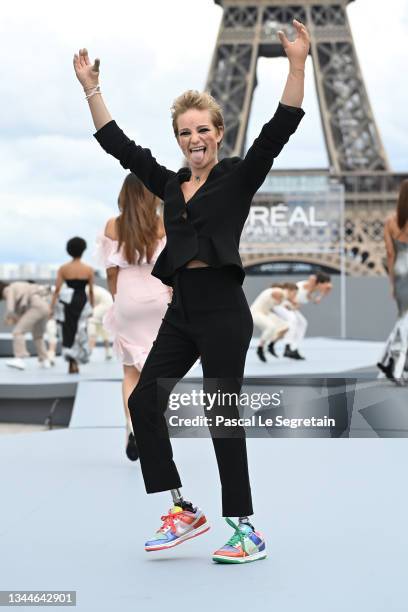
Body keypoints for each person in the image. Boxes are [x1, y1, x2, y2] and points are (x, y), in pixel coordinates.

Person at [73, 17, 309, 564]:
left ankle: (245, 528)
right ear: (177, 138)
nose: (194, 139)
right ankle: (182, 508)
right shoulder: (170, 185)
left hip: (224, 310)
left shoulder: (238, 176)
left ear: (218, 133)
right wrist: (92, 90)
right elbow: (118, 145)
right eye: (185, 132)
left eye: (203, 130)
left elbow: (282, 123)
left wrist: (296, 64)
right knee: (143, 401)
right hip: (182, 309)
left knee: (219, 413)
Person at [95, 173, 170, 461]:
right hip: (159, 296)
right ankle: (153, 426)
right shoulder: (162, 223)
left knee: (130, 373)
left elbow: (111, 270)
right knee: (159, 369)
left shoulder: (113, 225)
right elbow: (172, 264)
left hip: (127, 297)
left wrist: (117, 300)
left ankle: (133, 429)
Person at [377, 180, 408, 384]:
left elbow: (390, 254)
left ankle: (387, 359)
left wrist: (391, 282)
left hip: (399, 270)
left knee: (403, 318)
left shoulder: (390, 221)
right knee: (405, 321)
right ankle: (395, 365)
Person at [50, 237, 94, 374]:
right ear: (83, 250)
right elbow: (91, 291)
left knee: (68, 331)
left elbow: (57, 290)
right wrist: (92, 306)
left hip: (67, 302)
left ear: (69, 250)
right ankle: (76, 359)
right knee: (80, 330)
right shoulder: (88, 269)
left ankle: (71, 360)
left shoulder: (63, 268)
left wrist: (51, 306)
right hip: (81, 301)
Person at [274, 273, 332, 360]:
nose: (327, 286)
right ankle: (287, 347)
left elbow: (327, 289)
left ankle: (294, 348)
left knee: (302, 323)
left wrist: (320, 296)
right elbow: (313, 278)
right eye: (325, 284)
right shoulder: (311, 284)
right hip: (284, 303)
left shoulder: (315, 289)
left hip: (292, 305)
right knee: (293, 321)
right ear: (320, 283)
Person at [0, 281, 50, 370]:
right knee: (38, 336)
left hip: (35, 307)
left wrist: (9, 317)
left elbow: (11, 307)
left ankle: (19, 359)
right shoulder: (21, 285)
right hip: (45, 307)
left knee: (18, 332)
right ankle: (45, 360)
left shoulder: (8, 289)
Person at [250, 284, 297, 362]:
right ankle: (260, 348)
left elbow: (284, 305)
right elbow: (275, 294)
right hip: (256, 313)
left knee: (285, 327)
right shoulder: (280, 292)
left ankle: (271, 345)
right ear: (289, 291)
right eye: (294, 293)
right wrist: (288, 300)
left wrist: (289, 303)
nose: (295, 296)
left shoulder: (283, 297)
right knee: (271, 327)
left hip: (266, 313)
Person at [86, 284, 113, 360]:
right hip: (109, 305)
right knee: (101, 326)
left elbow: (91, 303)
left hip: (105, 305)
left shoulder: (86, 289)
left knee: (90, 320)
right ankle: (108, 352)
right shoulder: (94, 288)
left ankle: (89, 352)